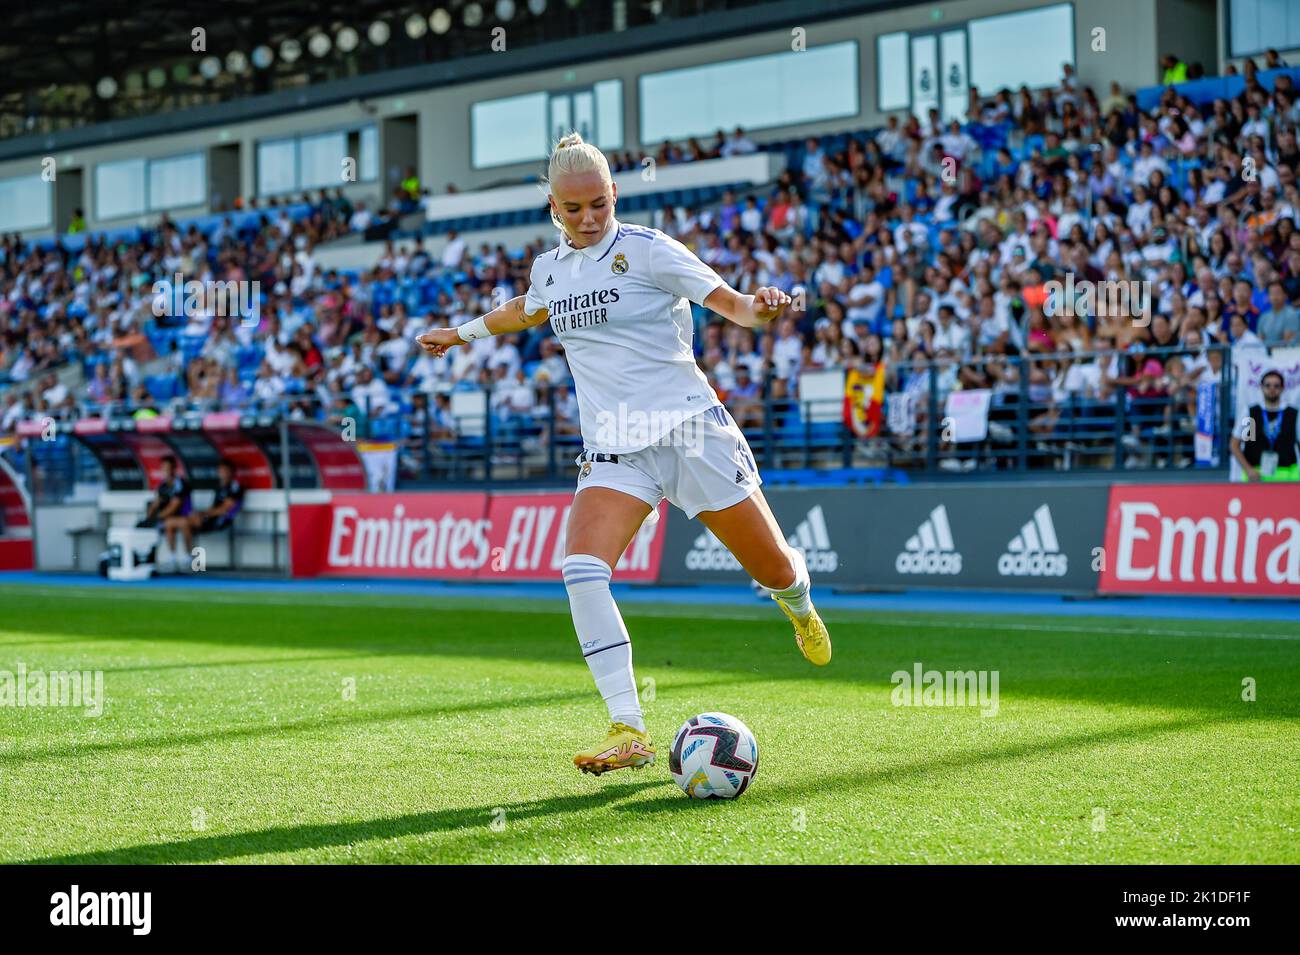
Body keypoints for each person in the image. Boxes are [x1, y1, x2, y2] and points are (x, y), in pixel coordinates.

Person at [416, 132, 831, 777]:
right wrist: (461, 334)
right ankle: (628, 728)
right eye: (574, 208)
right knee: (581, 570)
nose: (588, 219)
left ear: (615, 197)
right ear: (553, 206)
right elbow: (526, 311)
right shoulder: (551, 269)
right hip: (615, 448)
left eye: (600, 205)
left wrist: (764, 305)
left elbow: (734, 307)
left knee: (774, 568)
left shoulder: (648, 251)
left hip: (692, 433)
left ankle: (799, 603)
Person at [161, 458, 246, 571]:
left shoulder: (235, 488)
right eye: (221, 471)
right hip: (209, 518)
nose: (222, 474)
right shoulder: (220, 487)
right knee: (169, 523)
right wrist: (201, 514)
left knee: (184, 522)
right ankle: (172, 558)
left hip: (221, 521)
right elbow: (213, 507)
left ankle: (189, 558)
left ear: (232, 472)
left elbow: (224, 510)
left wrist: (203, 513)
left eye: (225, 471)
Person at [1231, 370, 1299, 481]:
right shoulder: (1250, 413)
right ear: (1261, 387)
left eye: (1276, 386)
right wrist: (1248, 469)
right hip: (1257, 475)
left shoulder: (1293, 414)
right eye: (1268, 385)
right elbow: (1235, 445)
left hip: (1287, 476)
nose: (1272, 389)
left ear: (1282, 388)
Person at [137, 455, 192, 533]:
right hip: (165, 518)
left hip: (182, 516)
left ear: (174, 468)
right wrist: (149, 518)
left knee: (169, 522)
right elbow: (156, 502)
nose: (166, 470)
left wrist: (156, 518)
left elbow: (174, 506)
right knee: (143, 523)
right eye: (164, 468)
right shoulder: (163, 485)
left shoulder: (182, 484)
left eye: (168, 467)